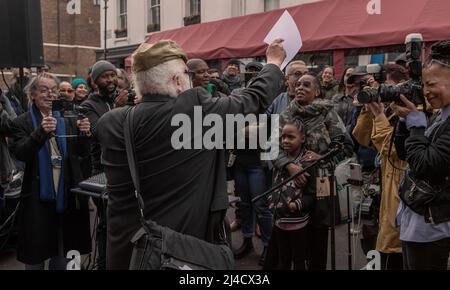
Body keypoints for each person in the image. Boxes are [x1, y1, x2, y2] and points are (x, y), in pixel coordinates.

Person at [96, 39, 287, 270]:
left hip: (129, 253)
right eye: (187, 73)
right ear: (177, 80)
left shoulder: (110, 122)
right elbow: (252, 100)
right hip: (179, 255)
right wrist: (274, 63)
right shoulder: (192, 110)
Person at [7, 73, 92, 270]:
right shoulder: (22, 121)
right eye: (44, 90)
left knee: (65, 254)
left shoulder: (68, 117)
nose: (50, 94)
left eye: (53, 90)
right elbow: (21, 154)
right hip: (38, 199)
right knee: (36, 257)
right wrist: (40, 133)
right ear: (33, 95)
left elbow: (82, 153)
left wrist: (85, 134)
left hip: (66, 196)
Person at [276, 73, 354, 270]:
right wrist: (289, 165)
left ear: (317, 91)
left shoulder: (327, 112)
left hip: (321, 182)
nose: (300, 87)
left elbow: (346, 147)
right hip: (291, 184)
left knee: (318, 235)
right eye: (298, 84)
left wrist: (322, 158)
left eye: (307, 84)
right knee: (291, 242)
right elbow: (272, 148)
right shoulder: (286, 115)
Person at [391, 40, 450, 270]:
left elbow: (427, 165)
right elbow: (406, 153)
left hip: (432, 229)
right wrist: (405, 123)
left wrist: (416, 126)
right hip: (417, 223)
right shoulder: (439, 116)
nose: (425, 92)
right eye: (423, 85)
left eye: (431, 84)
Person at [353, 64, 409, 270]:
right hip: (380, 188)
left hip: (399, 193)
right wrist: (371, 107)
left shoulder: (412, 111)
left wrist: (380, 116)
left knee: (395, 252)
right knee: (375, 245)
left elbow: (393, 150)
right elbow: (360, 136)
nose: (385, 93)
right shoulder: (385, 109)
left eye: (388, 88)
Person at [81, 60, 118, 270]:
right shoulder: (88, 105)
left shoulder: (119, 99)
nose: (111, 80)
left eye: (113, 75)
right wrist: (119, 110)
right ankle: (101, 263)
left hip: (123, 168)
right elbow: (98, 132)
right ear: (95, 82)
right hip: (101, 170)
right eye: (105, 76)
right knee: (105, 222)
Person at [265, 120, 316, 270]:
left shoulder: (308, 163)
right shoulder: (280, 162)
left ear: (302, 138)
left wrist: (295, 205)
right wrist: (271, 201)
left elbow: (311, 196)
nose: (285, 141)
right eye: (283, 137)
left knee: (299, 259)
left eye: (290, 137)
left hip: (298, 223)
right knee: (283, 258)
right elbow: (273, 186)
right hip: (279, 221)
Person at [332, 67, 355, 131]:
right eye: (347, 75)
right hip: (337, 135)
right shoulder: (335, 98)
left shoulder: (359, 99)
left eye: (352, 76)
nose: (349, 78)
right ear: (343, 78)